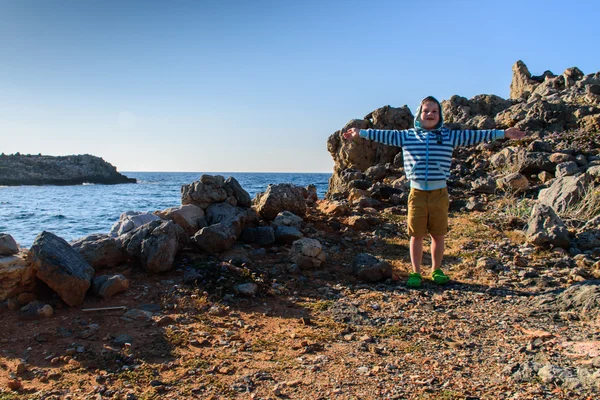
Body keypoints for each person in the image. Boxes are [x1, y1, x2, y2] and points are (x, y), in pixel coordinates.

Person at [343, 96, 525, 288]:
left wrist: (503, 133)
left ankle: (436, 270)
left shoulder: (448, 136)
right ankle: (415, 272)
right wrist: (360, 132)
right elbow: (383, 135)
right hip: (417, 194)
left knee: (438, 234)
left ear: (440, 116)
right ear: (419, 115)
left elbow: (476, 135)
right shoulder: (408, 136)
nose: (430, 114)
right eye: (426, 111)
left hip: (440, 192)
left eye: (434, 111)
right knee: (416, 235)